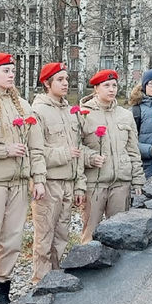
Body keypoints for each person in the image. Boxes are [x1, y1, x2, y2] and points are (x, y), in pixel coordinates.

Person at [0, 52, 46, 304]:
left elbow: (36, 147)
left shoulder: (23, 105)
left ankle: (3, 290)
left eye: (12, 70)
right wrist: (5, 150)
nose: (11, 74)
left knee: (13, 239)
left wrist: (39, 178)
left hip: (18, 182)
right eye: (5, 70)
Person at [30, 62, 86, 284]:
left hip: (68, 182)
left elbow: (78, 150)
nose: (65, 84)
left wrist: (79, 184)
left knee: (62, 234)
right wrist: (63, 154)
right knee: (44, 236)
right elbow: (35, 151)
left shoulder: (71, 112)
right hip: (49, 182)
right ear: (47, 83)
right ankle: (40, 281)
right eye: (60, 80)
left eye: (66, 79)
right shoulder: (38, 111)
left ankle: (55, 277)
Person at [79, 69, 144, 243]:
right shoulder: (82, 114)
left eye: (114, 85)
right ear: (96, 89)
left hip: (121, 183)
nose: (111, 89)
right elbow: (75, 147)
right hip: (94, 183)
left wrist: (138, 179)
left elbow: (133, 151)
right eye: (106, 85)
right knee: (90, 233)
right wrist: (90, 157)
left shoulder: (126, 115)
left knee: (119, 234)